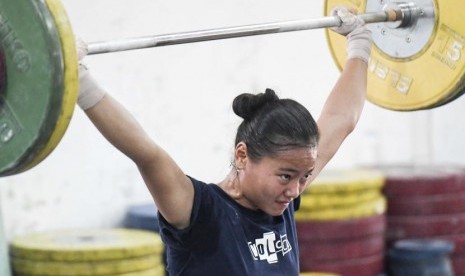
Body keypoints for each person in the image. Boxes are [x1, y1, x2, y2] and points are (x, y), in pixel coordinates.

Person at [77, 6, 371, 276]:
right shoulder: (199, 211)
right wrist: (79, 81)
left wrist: (359, 44)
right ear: (242, 156)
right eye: (285, 176)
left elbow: (342, 119)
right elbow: (145, 152)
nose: (295, 190)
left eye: (304, 177)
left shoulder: (282, 193)